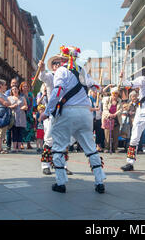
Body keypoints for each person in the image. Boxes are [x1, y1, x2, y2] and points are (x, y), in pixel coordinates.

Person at [39, 45, 105, 194]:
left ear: (63, 58)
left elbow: (58, 91)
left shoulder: (61, 71)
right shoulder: (81, 70)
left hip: (68, 112)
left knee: (59, 147)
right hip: (85, 113)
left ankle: (61, 183)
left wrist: (48, 112)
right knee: (91, 149)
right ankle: (99, 181)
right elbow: (95, 86)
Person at [0, 80, 16, 154]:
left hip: (5, 112)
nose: (6, 86)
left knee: (3, 131)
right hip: (0, 113)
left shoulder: (3, 94)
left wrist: (8, 103)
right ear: (1, 85)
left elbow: (8, 102)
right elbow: (5, 103)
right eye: (5, 85)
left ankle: (1, 148)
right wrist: (8, 103)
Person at [101, 87, 122, 153]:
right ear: (111, 93)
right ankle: (107, 147)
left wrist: (115, 114)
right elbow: (105, 109)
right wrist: (109, 114)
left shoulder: (119, 100)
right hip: (108, 118)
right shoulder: (107, 100)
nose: (115, 95)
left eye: (116, 93)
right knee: (107, 134)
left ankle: (115, 148)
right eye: (113, 93)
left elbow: (121, 109)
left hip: (116, 118)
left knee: (116, 134)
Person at [8, 86, 28, 153]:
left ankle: (19, 148)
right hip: (14, 117)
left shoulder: (22, 98)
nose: (14, 90)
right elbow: (7, 106)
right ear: (11, 91)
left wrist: (24, 107)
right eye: (13, 89)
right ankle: (14, 148)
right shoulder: (9, 98)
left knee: (20, 133)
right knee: (14, 132)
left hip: (21, 117)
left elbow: (26, 106)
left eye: (15, 89)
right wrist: (12, 106)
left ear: (18, 90)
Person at [19, 81, 35, 149]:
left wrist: (33, 112)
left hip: (30, 113)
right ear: (21, 88)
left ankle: (29, 144)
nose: (25, 87)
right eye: (24, 86)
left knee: (30, 129)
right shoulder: (20, 95)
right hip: (23, 113)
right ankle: (21, 143)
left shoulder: (31, 94)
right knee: (23, 128)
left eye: (26, 86)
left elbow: (34, 103)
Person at [4, 78, 18, 151]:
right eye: (13, 83)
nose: (14, 84)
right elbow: (5, 102)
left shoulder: (19, 92)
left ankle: (16, 146)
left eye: (15, 83)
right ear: (10, 84)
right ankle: (8, 145)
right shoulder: (7, 93)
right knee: (9, 130)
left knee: (16, 130)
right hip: (9, 113)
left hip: (17, 115)